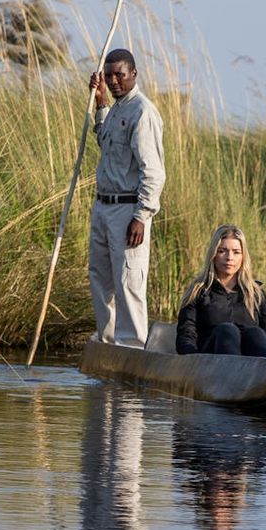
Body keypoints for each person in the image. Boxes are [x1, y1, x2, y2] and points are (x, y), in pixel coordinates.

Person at [87, 47, 165, 347]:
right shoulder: (117, 107)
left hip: (127, 209)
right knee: (101, 278)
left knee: (128, 281)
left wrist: (141, 216)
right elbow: (106, 140)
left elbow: (154, 172)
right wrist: (101, 102)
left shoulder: (143, 112)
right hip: (102, 206)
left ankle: (131, 347)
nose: (115, 80)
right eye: (109, 76)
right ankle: (107, 347)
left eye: (120, 74)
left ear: (134, 74)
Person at [176, 224, 266, 358]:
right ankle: (232, 376)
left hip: (250, 367)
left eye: (236, 252)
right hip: (210, 363)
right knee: (227, 330)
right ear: (213, 254)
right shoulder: (198, 290)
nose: (229, 258)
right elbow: (186, 337)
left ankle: (264, 377)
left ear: (243, 256)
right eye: (222, 251)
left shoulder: (256, 293)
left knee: (256, 333)